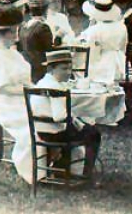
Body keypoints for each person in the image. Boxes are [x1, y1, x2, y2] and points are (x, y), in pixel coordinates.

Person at [0, 4, 34, 184]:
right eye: (13, 31)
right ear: (1, 33)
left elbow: (26, 79)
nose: (16, 35)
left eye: (16, 30)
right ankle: (33, 170)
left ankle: (56, 162)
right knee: (35, 129)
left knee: (55, 120)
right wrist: (26, 91)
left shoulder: (15, 54)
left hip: (28, 100)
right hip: (12, 107)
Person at [33, 49, 101, 177]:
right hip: (54, 133)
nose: (68, 72)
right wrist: (75, 120)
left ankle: (61, 168)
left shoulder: (41, 83)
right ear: (50, 69)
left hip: (40, 130)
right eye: (64, 69)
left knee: (79, 128)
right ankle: (86, 173)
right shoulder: (56, 88)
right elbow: (60, 116)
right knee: (94, 133)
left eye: (70, 69)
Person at [79, 0, 127, 84]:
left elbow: (93, 55)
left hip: (103, 66)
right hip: (121, 63)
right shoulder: (122, 26)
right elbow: (123, 47)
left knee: (83, 67)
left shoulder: (95, 30)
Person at [19, 0, 54, 83]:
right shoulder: (43, 28)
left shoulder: (24, 26)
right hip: (41, 70)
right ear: (46, 9)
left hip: (27, 67)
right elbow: (49, 51)